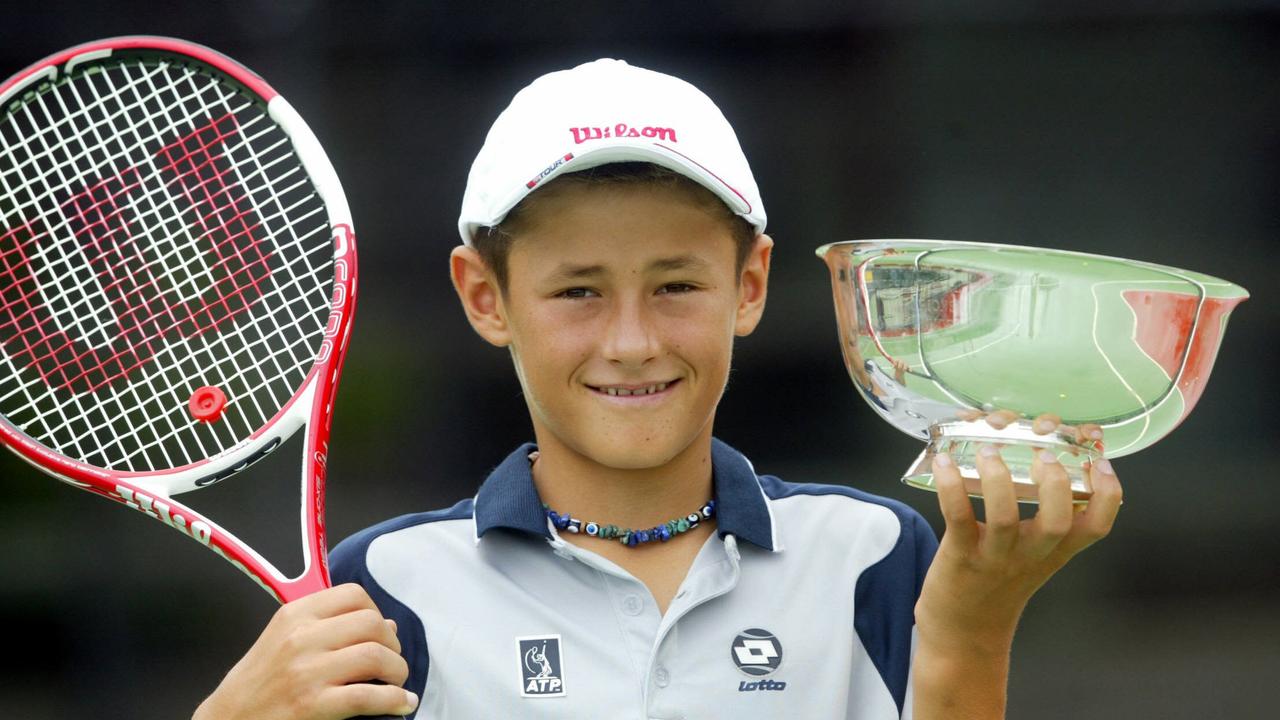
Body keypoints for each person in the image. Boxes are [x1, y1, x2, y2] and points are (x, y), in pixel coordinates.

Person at [193, 58, 1122, 720]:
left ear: (750, 284)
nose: (631, 342)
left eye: (676, 285)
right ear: (486, 296)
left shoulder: (873, 554)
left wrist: (974, 627)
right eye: (578, 292)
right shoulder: (383, 588)